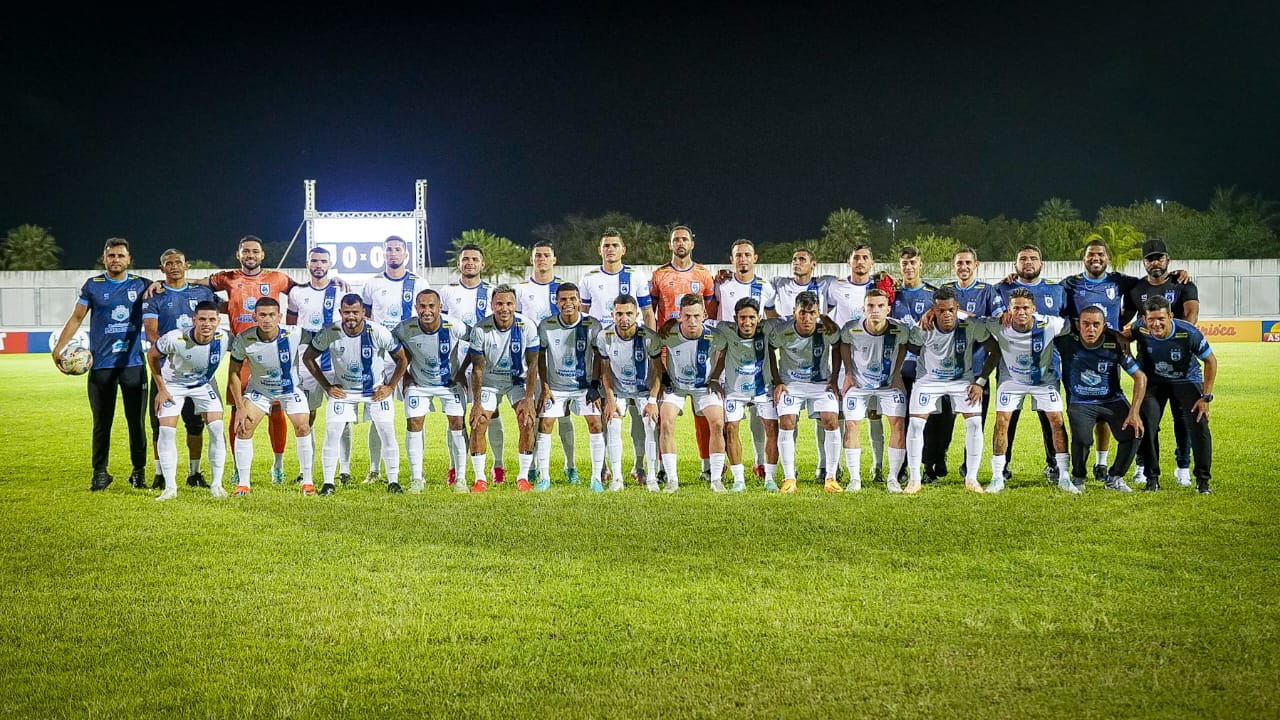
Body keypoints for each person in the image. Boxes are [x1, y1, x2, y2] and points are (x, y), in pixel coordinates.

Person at [52, 238, 151, 491]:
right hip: (100, 367)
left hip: (133, 364)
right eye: (111, 256)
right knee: (101, 423)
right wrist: (59, 348)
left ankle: (138, 471)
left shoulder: (143, 285)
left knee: (136, 422)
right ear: (104, 259)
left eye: (120, 255)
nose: (115, 259)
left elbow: (169, 292)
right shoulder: (92, 286)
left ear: (129, 259)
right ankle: (100, 473)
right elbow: (76, 318)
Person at [201, 235, 301, 485]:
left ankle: (277, 466)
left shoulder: (277, 278)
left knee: (276, 411)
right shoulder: (228, 278)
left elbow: (305, 292)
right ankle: (237, 467)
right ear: (238, 254)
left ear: (262, 255)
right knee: (238, 410)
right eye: (245, 251)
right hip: (242, 355)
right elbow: (201, 286)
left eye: (255, 251)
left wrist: (331, 282)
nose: (250, 255)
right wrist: (166, 283)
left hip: (272, 353)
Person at [969, 287, 1075, 494]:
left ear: (1033, 308)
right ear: (1009, 309)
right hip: (1012, 380)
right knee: (1001, 421)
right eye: (1016, 307)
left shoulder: (1050, 323)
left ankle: (1064, 476)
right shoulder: (999, 324)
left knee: (1056, 420)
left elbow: (1078, 324)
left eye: (1025, 307)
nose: (1021, 312)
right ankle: (997, 476)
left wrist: (1118, 335)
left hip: (1043, 380)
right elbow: (973, 319)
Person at [304, 294, 409, 495]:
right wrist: (327, 386)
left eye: (355, 312)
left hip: (374, 391)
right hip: (344, 391)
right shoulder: (330, 331)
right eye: (346, 312)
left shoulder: (378, 331)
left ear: (363, 313)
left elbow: (402, 359)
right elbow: (309, 357)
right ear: (340, 313)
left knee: (387, 430)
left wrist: (390, 386)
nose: (350, 316)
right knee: (332, 432)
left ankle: (393, 481)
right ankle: (328, 483)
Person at [580, 229, 657, 485]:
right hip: (603, 349)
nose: (610, 249)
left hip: (635, 348)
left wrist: (653, 345)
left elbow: (646, 311)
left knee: (640, 414)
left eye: (615, 245)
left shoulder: (635, 276)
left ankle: (638, 466)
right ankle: (604, 468)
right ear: (599, 250)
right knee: (607, 412)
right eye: (606, 245)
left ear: (623, 249)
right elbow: (584, 315)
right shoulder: (589, 278)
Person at [1122, 237, 1200, 487]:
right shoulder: (1135, 290)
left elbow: (1191, 319)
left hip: (1181, 371)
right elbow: (1124, 321)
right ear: (1144, 263)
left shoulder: (1183, 284)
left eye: (1159, 257)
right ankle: (1144, 467)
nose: (1155, 262)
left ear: (1168, 259)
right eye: (1150, 258)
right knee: (1148, 421)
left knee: (1183, 422)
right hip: (1150, 372)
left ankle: (1183, 467)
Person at [141, 248, 219, 489]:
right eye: (168, 263)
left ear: (187, 266)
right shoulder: (155, 296)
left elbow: (222, 311)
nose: (174, 266)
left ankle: (194, 473)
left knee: (195, 424)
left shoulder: (202, 292)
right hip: (166, 370)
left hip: (197, 372)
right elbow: (150, 330)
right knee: (160, 424)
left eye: (178, 262)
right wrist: (172, 347)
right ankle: (160, 473)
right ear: (161, 268)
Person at [226, 298, 318, 496]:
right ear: (255, 316)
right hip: (260, 391)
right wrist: (240, 406)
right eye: (262, 315)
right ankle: (243, 484)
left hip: (290, 389)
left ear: (279, 317)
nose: (267, 319)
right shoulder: (244, 339)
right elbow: (233, 373)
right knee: (244, 427)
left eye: (271, 315)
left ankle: (308, 482)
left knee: (303, 425)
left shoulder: (295, 333)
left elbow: (322, 338)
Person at [649, 226, 717, 485]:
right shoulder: (659, 275)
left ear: (692, 243)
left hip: (699, 349)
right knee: (664, 413)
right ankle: (664, 467)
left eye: (684, 239)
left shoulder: (704, 275)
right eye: (675, 239)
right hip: (668, 350)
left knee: (703, 411)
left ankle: (707, 465)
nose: (680, 243)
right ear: (670, 245)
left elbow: (710, 313)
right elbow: (651, 313)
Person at [994, 244, 1067, 484]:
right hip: (1010, 367)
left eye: (1033, 258)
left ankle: (1055, 466)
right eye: (1023, 259)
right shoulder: (1002, 289)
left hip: (1046, 366)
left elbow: (1068, 323)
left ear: (1041, 264)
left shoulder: (1057, 290)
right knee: (1007, 418)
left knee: (1050, 418)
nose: (1028, 262)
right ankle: (1002, 468)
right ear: (1015, 265)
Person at [1128, 296, 1216, 494]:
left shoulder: (1189, 332)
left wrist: (1205, 397)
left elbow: (1211, 361)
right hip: (1154, 383)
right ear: (1144, 318)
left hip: (1186, 380)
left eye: (1161, 318)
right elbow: (1124, 336)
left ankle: (1203, 482)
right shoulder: (1139, 328)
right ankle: (1152, 479)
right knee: (1146, 424)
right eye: (1151, 319)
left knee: (1199, 424)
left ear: (1170, 316)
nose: (1155, 324)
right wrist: (1122, 342)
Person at [1054, 305, 1146, 492]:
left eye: (1096, 324)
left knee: (1134, 431)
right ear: (1078, 325)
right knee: (1082, 438)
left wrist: (1134, 412)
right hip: (1081, 402)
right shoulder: (1065, 341)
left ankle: (1114, 478)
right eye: (1086, 324)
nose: (1091, 329)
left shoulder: (1116, 344)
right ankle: (1078, 476)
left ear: (1104, 326)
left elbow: (1140, 377)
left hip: (1112, 400)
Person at [905, 286, 989, 493]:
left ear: (956, 308)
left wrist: (981, 382)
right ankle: (914, 479)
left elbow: (993, 350)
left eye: (950, 310)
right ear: (933, 310)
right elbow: (911, 347)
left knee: (975, 424)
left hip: (962, 380)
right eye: (941, 310)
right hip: (929, 380)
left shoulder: (970, 325)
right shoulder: (923, 327)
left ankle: (971, 479)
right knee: (916, 424)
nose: (946, 314)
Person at [439, 243, 509, 486]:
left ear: (483, 264)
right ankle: (454, 467)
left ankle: (497, 465)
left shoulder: (491, 292)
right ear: (458, 264)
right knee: (455, 417)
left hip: (486, 363)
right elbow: (442, 327)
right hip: (455, 363)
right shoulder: (447, 292)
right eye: (465, 259)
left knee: (491, 413)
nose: (470, 263)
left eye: (474, 259)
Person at [824, 244, 896, 481]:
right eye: (856, 258)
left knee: (875, 415)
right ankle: (831, 466)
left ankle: (877, 467)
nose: (860, 262)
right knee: (840, 416)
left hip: (875, 363)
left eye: (865, 257)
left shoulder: (881, 288)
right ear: (849, 261)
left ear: (872, 262)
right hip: (846, 364)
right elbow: (812, 298)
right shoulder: (835, 286)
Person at [145, 301, 229, 500]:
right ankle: (170, 488)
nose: (206, 324)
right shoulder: (175, 338)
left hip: (202, 385)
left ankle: (217, 485)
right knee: (166, 431)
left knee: (217, 428)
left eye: (211, 319)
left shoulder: (224, 337)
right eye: (202, 319)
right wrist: (162, 389)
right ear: (194, 320)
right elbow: (151, 356)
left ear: (218, 321)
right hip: (173, 386)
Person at [360, 235, 426, 485]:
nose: (393, 253)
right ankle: (375, 469)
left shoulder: (419, 282)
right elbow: (365, 318)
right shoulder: (372, 284)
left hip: (411, 357)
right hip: (379, 358)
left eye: (397, 249)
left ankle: (416, 472)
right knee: (377, 414)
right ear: (383, 253)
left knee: (415, 413)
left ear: (405, 254)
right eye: (388, 249)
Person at [935, 247, 1004, 482]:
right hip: (947, 370)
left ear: (977, 265)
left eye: (967, 263)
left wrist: (962, 315)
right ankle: (938, 459)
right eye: (959, 263)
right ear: (952, 266)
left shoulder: (987, 291)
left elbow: (997, 321)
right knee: (942, 421)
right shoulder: (945, 291)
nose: (963, 267)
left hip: (977, 370)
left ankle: (968, 466)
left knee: (975, 422)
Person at [286, 246, 354, 484]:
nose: (318, 265)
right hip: (308, 363)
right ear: (307, 263)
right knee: (308, 416)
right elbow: (291, 325)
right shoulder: (296, 293)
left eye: (323, 261)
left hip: (337, 362)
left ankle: (344, 470)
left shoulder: (341, 290)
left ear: (330, 263)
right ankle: (307, 470)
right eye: (314, 260)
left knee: (342, 416)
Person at [515, 240, 581, 485]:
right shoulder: (521, 289)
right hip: (531, 360)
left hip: (561, 363)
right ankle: (531, 466)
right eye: (537, 255)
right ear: (532, 259)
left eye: (546, 255)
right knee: (531, 415)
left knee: (563, 416)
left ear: (554, 259)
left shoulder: (565, 289)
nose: (542, 259)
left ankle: (570, 465)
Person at [393, 289, 471, 493]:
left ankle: (461, 478)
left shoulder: (454, 326)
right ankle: (416, 478)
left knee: (457, 423)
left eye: (431, 306)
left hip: (449, 383)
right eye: (422, 306)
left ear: (440, 308)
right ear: (416, 307)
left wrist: (462, 371)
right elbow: (391, 347)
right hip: (419, 385)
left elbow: (477, 340)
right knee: (414, 423)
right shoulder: (405, 328)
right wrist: (405, 373)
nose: (426, 311)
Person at [714, 239, 779, 482]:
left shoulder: (766, 287)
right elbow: (711, 317)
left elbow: (772, 319)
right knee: (728, 419)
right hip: (728, 359)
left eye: (747, 255)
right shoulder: (721, 285)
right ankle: (720, 464)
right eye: (738, 255)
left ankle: (761, 463)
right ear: (731, 260)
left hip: (758, 361)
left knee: (760, 417)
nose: (743, 259)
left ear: (755, 258)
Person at [766, 291, 842, 493]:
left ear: (818, 313)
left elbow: (837, 345)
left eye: (811, 313)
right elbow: (770, 351)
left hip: (821, 384)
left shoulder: (826, 329)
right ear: (794, 313)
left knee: (831, 419)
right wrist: (778, 381)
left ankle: (831, 477)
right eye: (802, 313)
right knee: (787, 421)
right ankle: (789, 478)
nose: (807, 318)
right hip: (792, 385)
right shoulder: (783, 331)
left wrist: (834, 378)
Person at [836, 290, 910, 492]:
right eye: (870, 306)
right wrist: (849, 373)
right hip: (859, 386)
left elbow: (903, 347)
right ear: (863, 309)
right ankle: (854, 479)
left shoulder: (899, 329)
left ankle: (893, 478)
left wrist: (897, 373)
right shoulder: (851, 329)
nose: (875, 310)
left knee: (898, 425)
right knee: (851, 426)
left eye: (880, 306)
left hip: (888, 386)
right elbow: (843, 345)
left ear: (888, 309)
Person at [466, 285, 539, 491]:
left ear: (515, 305)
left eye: (509, 303)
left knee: (527, 420)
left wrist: (528, 399)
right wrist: (477, 403)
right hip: (490, 381)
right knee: (478, 423)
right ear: (492, 305)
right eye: (499, 303)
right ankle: (480, 479)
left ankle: (523, 477)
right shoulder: (481, 329)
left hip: (517, 380)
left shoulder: (527, 326)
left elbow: (533, 364)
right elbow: (478, 369)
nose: (504, 308)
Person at [534, 283, 607, 491]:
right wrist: (546, 387)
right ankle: (544, 477)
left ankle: (596, 478)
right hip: (556, 387)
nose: (568, 303)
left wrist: (594, 385)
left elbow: (599, 357)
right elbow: (540, 358)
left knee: (595, 423)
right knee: (545, 424)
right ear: (556, 302)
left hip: (584, 387)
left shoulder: (592, 324)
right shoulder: (546, 325)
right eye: (563, 299)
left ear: (579, 301)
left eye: (573, 299)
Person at [650, 294, 726, 493]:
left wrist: (716, 377)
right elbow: (655, 352)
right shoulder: (669, 333)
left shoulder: (714, 335)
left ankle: (716, 479)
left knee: (718, 422)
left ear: (704, 315)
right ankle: (672, 480)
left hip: (704, 387)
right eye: (687, 316)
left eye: (696, 316)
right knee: (665, 423)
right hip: (677, 387)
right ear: (680, 316)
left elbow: (725, 352)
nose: (692, 321)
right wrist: (664, 375)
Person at [707, 298, 779, 492]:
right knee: (731, 429)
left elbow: (790, 322)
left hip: (763, 389)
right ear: (735, 318)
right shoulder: (726, 330)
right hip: (735, 391)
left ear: (759, 318)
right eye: (742, 318)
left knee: (772, 428)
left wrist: (778, 381)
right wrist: (714, 378)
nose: (747, 323)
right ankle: (739, 480)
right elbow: (704, 325)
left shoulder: (767, 330)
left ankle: (770, 479)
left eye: (752, 318)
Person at [596, 294, 662, 491]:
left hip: (644, 390)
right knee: (613, 424)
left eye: (628, 314)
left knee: (650, 424)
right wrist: (609, 400)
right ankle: (617, 478)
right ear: (612, 315)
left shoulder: (649, 337)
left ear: (637, 314)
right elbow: (605, 370)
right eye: (619, 314)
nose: (624, 318)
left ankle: (651, 477)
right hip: (619, 390)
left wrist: (652, 400)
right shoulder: (604, 337)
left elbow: (658, 370)